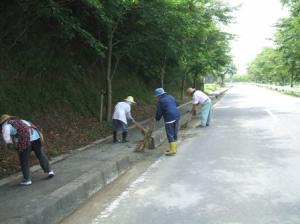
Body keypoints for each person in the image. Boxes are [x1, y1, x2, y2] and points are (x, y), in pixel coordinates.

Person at [0, 114, 54, 186]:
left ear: (3, 122)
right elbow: (32, 127)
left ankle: (27, 179)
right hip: (36, 137)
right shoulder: (21, 121)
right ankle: (50, 171)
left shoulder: (6, 126)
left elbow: (7, 139)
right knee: (40, 154)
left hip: (25, 141)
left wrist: (12, 146)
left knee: (24, 160)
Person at [155, 88, 180, 156]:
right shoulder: (171, 97)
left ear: (159, 95)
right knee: (174, 133)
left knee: (170, 134)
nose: (156, 97)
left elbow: (159, 113)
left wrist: (157, 119)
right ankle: (171, 148)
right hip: (177, 116)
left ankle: (173, 150)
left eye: (157, 96)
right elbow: (177, 104)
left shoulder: (160, 101)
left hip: (169, 118)